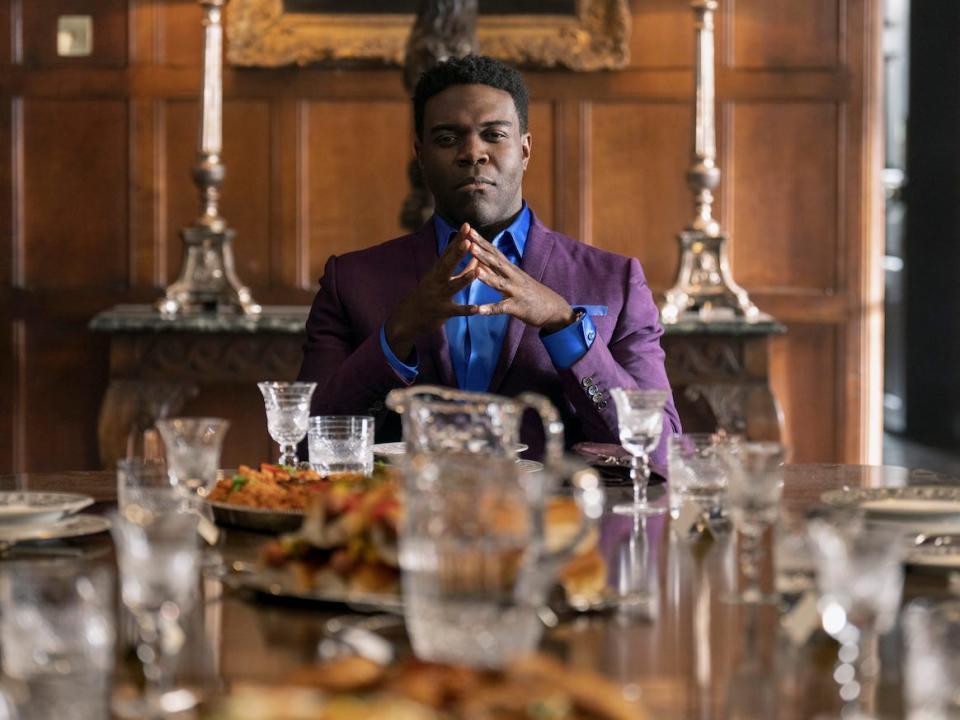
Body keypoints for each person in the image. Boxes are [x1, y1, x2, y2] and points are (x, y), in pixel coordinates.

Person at [298, 54, 680, 466]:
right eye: (447, 138)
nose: (472, 152)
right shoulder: (351, 282)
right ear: (420, 155)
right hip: (400, 523)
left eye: (494, 134)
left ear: (525, 148)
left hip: (557, 523)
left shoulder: (614, 281)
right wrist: (399, 331)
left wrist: (562, 324)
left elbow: (663, 450)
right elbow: (304, 444)